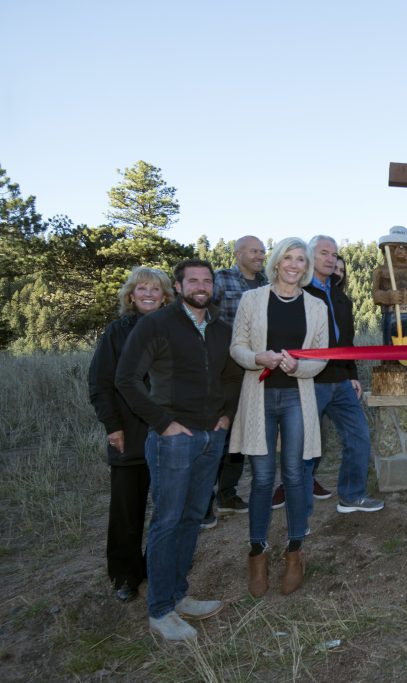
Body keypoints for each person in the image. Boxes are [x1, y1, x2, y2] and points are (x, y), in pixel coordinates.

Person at [115, 258, 241, 642]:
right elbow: (126, 378)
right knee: (167, 521)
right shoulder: (157, 324)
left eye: (207, 280)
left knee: (191, 518)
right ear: (180, 285)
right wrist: (163, 422)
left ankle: (178, 595)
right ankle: (159, 610)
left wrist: (227, 415)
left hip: (211, 437)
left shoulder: (221, 328)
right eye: (194, 281)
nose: (201, 286)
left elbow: (233, 376)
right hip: (173, 439)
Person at [229, 237, 328, 597]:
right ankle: (257, 553)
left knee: (296, 474)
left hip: (296, 399)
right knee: (261, 478)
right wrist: (259, 358)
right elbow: (237, 346)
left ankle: (294, 551)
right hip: (259, 397)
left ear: (306, 267)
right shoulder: (251, 299)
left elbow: (322, 357)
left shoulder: (317, 306)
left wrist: (298, 366)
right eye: (288, 257)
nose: (294, 264)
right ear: (277, 261)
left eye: (301, 259)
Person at [88, 266, 173, 603]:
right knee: (127, 509)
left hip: (170, 431)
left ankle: (160, 566)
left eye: (155, 288)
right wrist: (113, 427)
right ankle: (125, 575)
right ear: (131, 295)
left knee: (169, 507)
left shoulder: (175, 329)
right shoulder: (116, 333)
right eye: (142, 289)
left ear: (165, 295)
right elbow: (100, 384)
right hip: (129, 432)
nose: (149, 294)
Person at [302, 240, 383, 515]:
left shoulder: (341, 298)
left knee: (358, 435)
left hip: (341, 382)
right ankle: (297, 502)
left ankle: (351, 496)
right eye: (324, 253)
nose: (330, 259)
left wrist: (353, 375)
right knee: (306, 445)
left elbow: (347, 341)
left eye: (334, 254)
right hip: (308, 381)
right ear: (309, 255)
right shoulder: (298, 292)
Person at [204, 235, 268, 526]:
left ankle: (227, 494)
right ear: (238, 252)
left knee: (241, 433)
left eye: (262, 251)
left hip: (258, 368)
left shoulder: (268, 282)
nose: (259, 256)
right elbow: (202, 315)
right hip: (225, 369)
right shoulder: (220, 280)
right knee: (218, 430)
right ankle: (203, 502)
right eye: (254, 251)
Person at [372, 226, 407, 346]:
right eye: (394, 247)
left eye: (405, 248)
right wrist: (386, 296)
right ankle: (388, 362)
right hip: (390, 313)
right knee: (389, 345)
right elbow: (375, 295)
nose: (400, 251)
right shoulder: (380, 271)